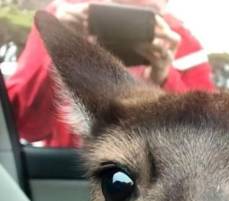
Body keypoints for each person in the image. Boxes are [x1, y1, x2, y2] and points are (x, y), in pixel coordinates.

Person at [6, 0, 215, 147]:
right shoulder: (64, 18)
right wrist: (60, 45)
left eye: (145, 14)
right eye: (114, 9)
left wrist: (162, 78)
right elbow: (25, 124)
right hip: (68, 172)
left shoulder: (185, 46)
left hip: (153, 181)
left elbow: (205, 138)